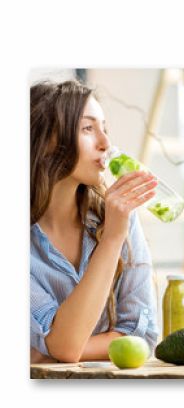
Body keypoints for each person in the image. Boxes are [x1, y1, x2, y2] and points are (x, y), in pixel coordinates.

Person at [30, 79, 159, 363]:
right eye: (88, 129)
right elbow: (66, 347)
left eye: (105, 128)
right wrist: (112, 240)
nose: (106, 143)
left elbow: (142, 337)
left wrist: (46, 350)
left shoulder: (117, 217)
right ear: (47, 141)